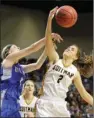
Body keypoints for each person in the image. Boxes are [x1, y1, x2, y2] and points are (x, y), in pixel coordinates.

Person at [36, 7, 93, 117]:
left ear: (76, 57)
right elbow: (48, 42)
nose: (68, 49)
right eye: (68, 47)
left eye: (72, 49)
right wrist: (49, 20)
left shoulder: (74, 72)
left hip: (60, 105)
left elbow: (84, 94)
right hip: (45, 103)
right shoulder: (55, 59)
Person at [0, 34, 61, 118]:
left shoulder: (20, 68)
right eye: (15, 47)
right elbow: (32, 48)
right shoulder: (8, 60)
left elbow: (37, 65)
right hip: (4, 102)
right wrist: (48, 37)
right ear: (9, 52)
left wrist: (47, 49)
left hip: (15, 103)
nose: (18, 47)